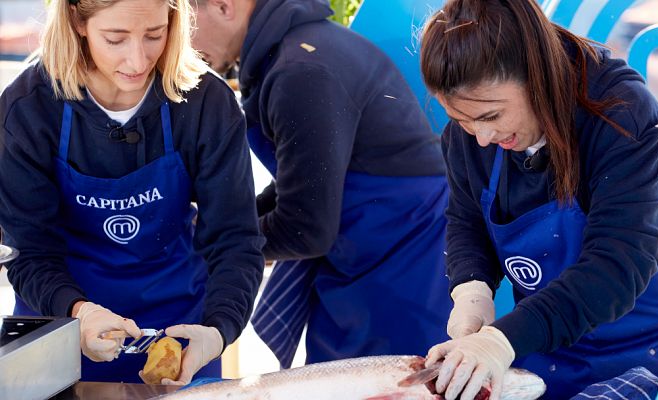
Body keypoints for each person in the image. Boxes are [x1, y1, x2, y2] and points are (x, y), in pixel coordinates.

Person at [418, 1, 658, 399]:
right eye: (462, 121)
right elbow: (466, 222)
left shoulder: (622, 115)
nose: (480, 138)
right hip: (546, 352)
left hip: (645, 355)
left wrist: (500, 341)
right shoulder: (470, 136)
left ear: (535, 77)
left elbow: (617, 267)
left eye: (490, 117)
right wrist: (472, 290)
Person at [0, 0, 264, 384]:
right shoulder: (28, 107)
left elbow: (236, 239)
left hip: (180, 329)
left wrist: (219, 330)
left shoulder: (206, 102)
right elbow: (30, 251)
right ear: (77, 19)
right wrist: (81, 314)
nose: (138, 60)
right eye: (115, 39)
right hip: (58, 331)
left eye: (154, 35)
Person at [190, 0, 451, 368]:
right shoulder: (290, 50)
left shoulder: (302, 69)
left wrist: (216, 245)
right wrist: (216, 224)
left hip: (403, 261)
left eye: (182, 22)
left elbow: (305, 228)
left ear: (222, 6)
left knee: (399, 382)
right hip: (359, 252)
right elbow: (295, 187)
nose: (179, 43)